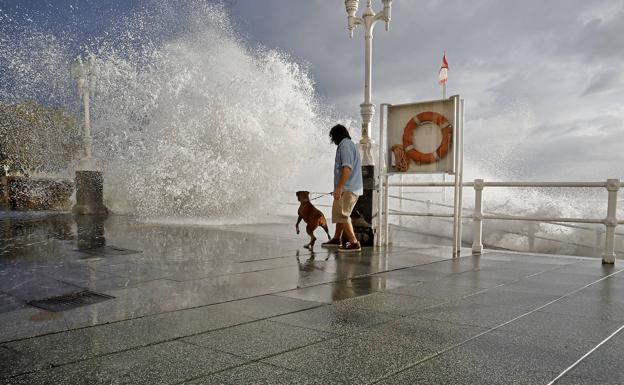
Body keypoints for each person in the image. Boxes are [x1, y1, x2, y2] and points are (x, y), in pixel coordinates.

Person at [322, 124, 363, 252]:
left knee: (342, 214)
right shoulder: (349, 145)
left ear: (337, 135)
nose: (332, 140)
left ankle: (354, 242)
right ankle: (336, 238)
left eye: (332, 137)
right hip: (349, 187)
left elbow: (347, 168)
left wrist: (339, 188)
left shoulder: (345, 146)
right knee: (340, 213)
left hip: (348, 188)